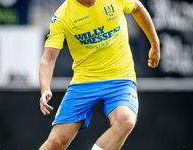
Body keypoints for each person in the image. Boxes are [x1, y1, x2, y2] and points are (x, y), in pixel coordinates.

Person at [39, 0, 160, 149]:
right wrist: (45, 88)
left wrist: (155, 44)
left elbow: (137, 8)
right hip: (84, 81)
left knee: (126, 120)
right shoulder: (62, 16)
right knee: (57, 142)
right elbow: (48, 58)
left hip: (120, 78)